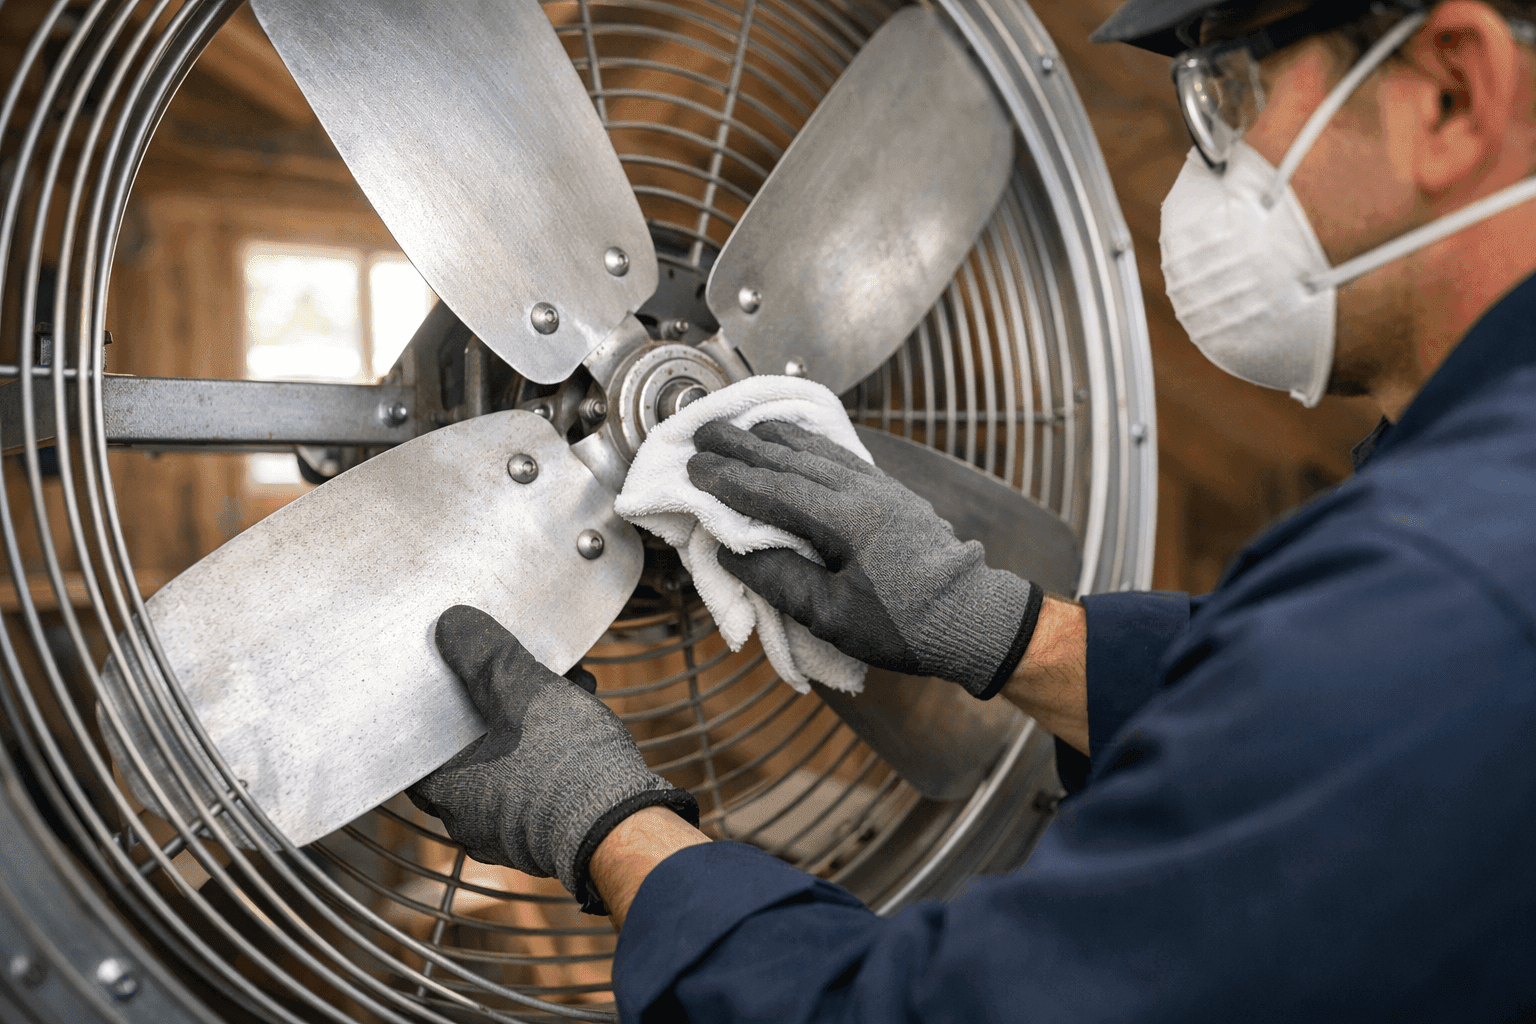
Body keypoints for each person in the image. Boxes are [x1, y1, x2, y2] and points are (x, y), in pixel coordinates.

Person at [407, 0, 1536, 1019]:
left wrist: (612, 827)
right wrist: (1007, 631)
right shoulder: (1468, 544)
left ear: (1452, 93)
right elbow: (1330, 724)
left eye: (1227, 92)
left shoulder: (1443, 581)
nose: (1205, 164)